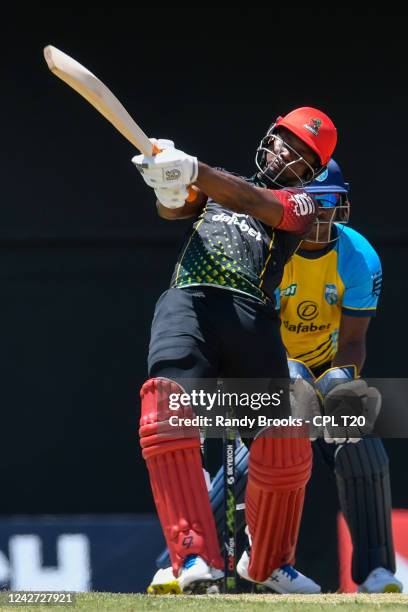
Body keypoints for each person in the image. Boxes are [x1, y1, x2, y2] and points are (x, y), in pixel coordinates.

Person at [148, 160, 402, 594]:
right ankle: (180, 562)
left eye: (330, 205)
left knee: (359, 437)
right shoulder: (267, 244)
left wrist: (341, 381)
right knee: (275, 436)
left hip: (328, 368)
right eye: (314, 203)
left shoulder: (359, 256)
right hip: (271, 367)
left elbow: (355, 340)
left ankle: (378, 572)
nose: (321, 215)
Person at [134, 107, 337, 593]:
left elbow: (251, 200)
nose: (288, 152)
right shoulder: (216, 188)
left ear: (311, 172)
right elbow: (180, 207)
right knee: (167, 409)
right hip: (190, 301)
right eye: (286, 140)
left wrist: (193, 168)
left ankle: (267, 563)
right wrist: (168, 184)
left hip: (250, 315)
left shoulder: (300, 206)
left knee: (285, 440)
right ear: (270, 134)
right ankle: (191, 557)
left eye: (303, 153)